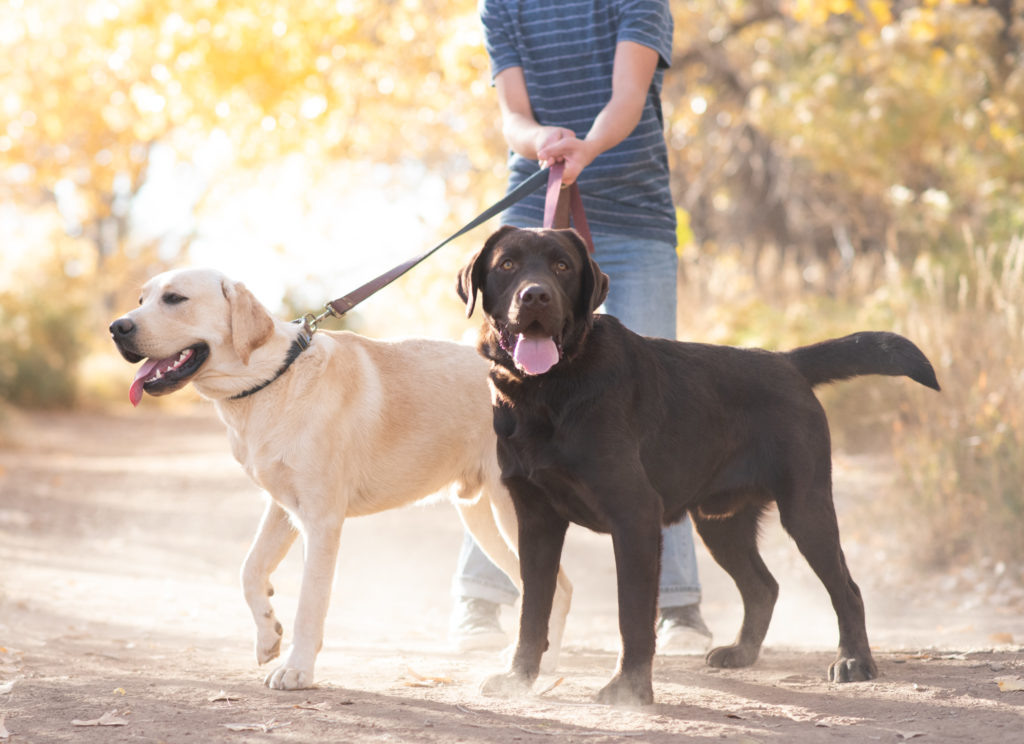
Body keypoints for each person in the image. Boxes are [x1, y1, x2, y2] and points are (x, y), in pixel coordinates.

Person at [450, 0, 712, 655]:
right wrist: (539, 142)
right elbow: (512, 114)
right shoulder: (503, 5)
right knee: (511, 418)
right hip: (531, 219)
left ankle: (677, 608)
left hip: (630, 216)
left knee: (657, 416)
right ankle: (482, 600)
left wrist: (587, 147)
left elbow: (628, 97)